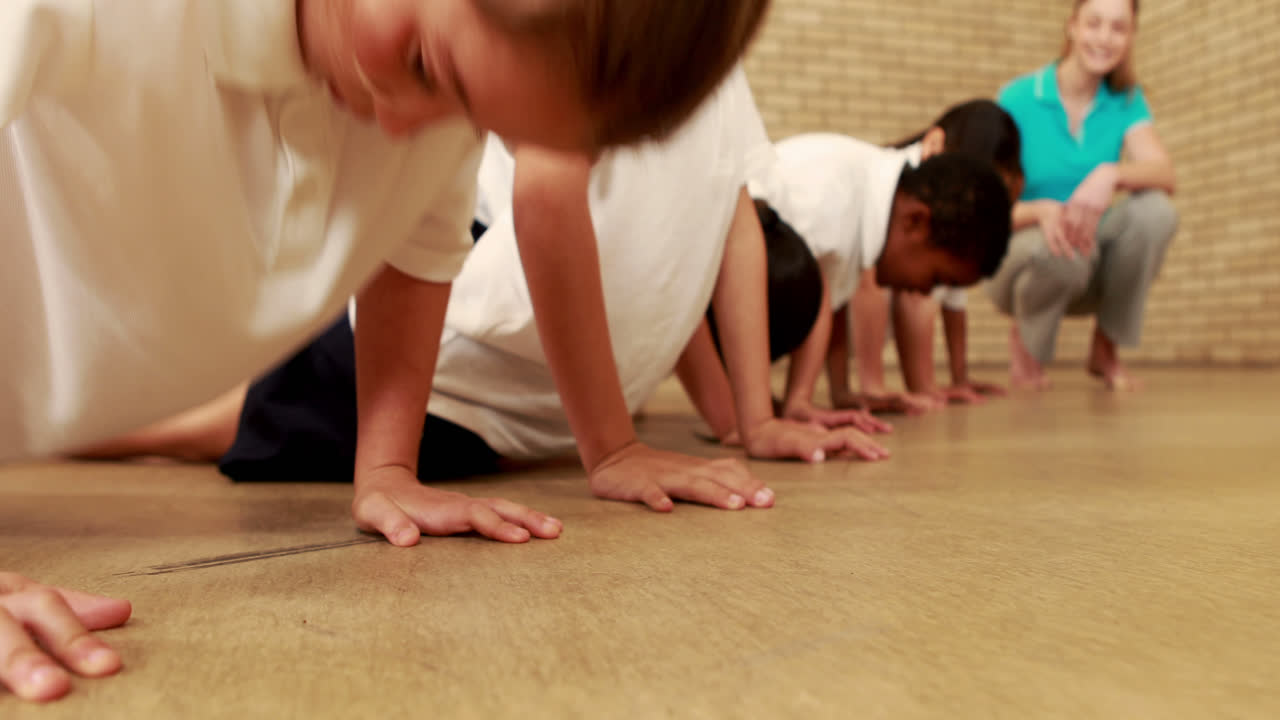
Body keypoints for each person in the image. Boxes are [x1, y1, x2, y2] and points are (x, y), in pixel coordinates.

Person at [1, 0, 772, 702]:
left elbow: (417, 251)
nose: (405, 121)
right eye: (425, 66)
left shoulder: (424, 105)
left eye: (465, 111)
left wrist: (387, 470)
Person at [77, 69, 890, 521]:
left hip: (516, 411)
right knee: (211, 423)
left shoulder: (715, 67)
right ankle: (78, 429)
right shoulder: (611, 33)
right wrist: (610, 447)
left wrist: (750, 418)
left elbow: (721, 223)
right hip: (459, 362)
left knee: (237, 412)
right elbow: (547, 185)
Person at [720, 134, 1012, 423]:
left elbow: (828, 298)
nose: (925, 291)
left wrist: (837, 393)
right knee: (796, 279)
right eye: (935, 278)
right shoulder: (833, 196)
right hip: (715, 285)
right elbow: (810, 289)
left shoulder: (863, 198)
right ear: (916, 221)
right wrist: (756, 418)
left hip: (737, 287)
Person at [987, 0, 1178, 391]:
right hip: (1024, 261)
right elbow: (985, 209)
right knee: (1062, 246)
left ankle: (1106, 349)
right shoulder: (1018, 98)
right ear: (1072, 27)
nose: (1104, 38)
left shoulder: (1125, 100)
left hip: (1089, 256)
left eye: (1118, 28)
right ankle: (1027, 348)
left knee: (1156, 213)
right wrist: (1041, 210)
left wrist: (1111, 173)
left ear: (1130, 37)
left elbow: (1164, 173)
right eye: (1094, 24)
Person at [883, 100, 1026, 406]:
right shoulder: (905, 187)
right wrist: (918, 387)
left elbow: (953, 299)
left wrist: (958, 378)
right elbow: (912, 298)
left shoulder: (954, 207)